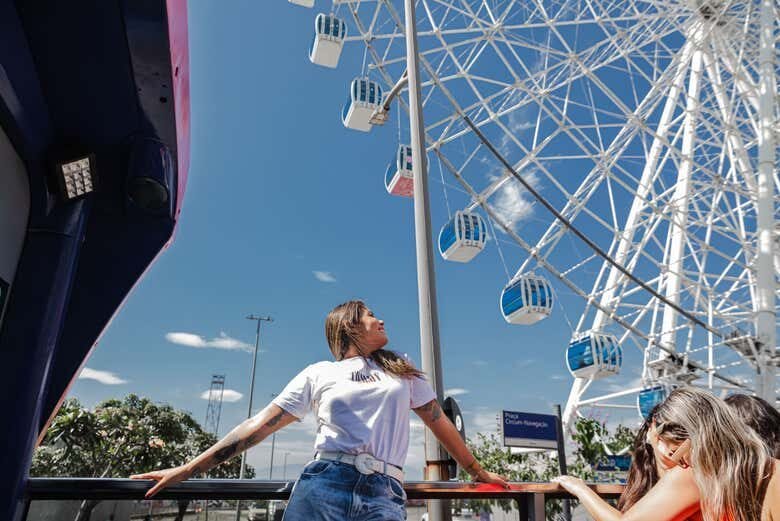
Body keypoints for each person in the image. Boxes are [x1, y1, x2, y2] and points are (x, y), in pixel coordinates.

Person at [131, 300, 508, 520]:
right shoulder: (319, 373)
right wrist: (188, 469)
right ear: (350, 327)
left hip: (385, 492)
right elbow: (259, 426)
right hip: (325, 483)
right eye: (371, 315)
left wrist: (476, 470)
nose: (381, 319)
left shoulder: (401, 370)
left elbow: (437, 420)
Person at [553, 387, 780, 521]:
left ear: (698, 438)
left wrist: (580, 489)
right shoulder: (767, 467)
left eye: (677, 452)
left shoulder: (699, 473)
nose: (680, 462)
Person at [616, 393, 780, 515]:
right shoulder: (748, 474)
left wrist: (588, 490)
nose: (683, 466)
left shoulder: (704, 477)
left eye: (676, 453)